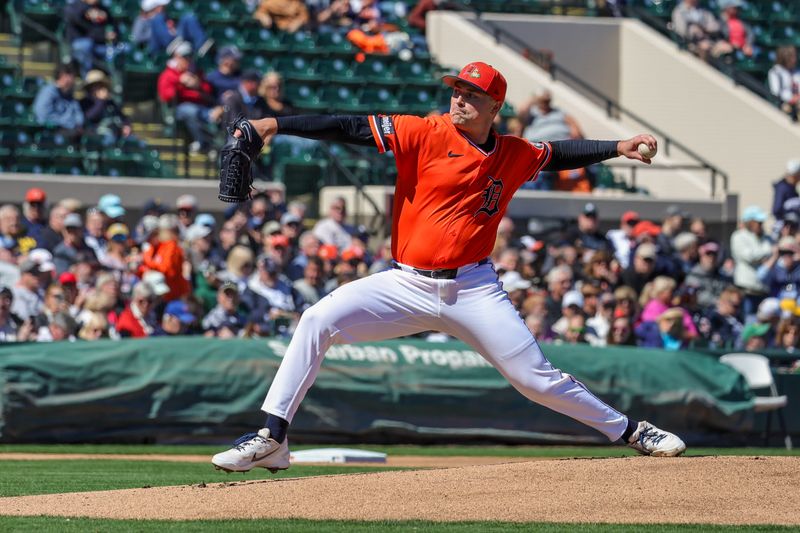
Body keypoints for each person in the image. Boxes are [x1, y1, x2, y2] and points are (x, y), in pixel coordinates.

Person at [211, 61, 686, 473]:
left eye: (471, 94)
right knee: (317, 319)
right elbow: (348, 126)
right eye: (456, 90)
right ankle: (273, 437)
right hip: (405, 282)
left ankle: (630, 431)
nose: (458, 98)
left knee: (534, 379)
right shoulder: (424, 131)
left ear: (494, 106)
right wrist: (274, 124)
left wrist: (617, 145)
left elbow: (557, 153)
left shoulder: (514, 153)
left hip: (474, 288)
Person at [157, 40, 222, 154]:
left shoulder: (197, 73)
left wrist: (197, 85)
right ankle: (203, 143)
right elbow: (166, 96)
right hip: (178, 110)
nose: (188, 59)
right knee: (191, 110)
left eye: (190, 56)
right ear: (176, 57)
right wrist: (180, 82)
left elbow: (208, 90)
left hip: (202, 108)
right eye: (185, 56)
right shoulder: (168, 74)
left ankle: (220, 146)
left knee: (221, 114)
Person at [731, 206, 773, 319]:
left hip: (764, 291)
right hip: (747, 292)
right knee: (748, 323)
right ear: (749, 222)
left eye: (761, 222)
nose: (761, 224)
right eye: (758, 222)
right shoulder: (739, 236)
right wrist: (768, 251)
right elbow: (750, 256)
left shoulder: (766, 238)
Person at [64, 0, 121, 75]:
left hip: (100, 46)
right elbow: (78, 22)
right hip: (80, 43)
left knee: (120, 50)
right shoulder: (75, 6)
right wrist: (87, 8)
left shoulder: (102, 8)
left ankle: (115, 81)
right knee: (86, 45)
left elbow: (114, 26)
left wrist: (113, 34)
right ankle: (87, 78)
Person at [32, 63, 84, 137]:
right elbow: (42, 115)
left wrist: (78, 124)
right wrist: (65, 123)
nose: (73, 80)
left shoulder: (69, 94)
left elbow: (78, 113)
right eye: (71, 76)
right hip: (51, 132)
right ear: (63, 75)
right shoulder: (48, 91)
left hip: (69, 130)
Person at [79, 70, 132, 142]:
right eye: (97, 86)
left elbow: (122, 117)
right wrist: (100, 101)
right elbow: (88, 117)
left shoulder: (110, 103)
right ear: (90, 88)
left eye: (102, 86)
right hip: (95, 137)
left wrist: (126, 125)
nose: (102, 89)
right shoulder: (84, 103)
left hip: (114, 135)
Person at [767, 46, 800, 121]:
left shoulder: (797, 71)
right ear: (784, 58)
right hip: (784, 103)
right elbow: (775, 92)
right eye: (792, 57)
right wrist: (791, 98)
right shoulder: (775, 72)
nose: (795, 59)